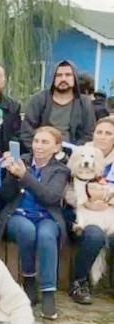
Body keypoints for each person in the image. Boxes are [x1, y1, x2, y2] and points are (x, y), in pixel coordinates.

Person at [0, 126, 69, 320]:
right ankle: (28, 280)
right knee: (26, 229)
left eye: (45, 142)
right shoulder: (21, 161)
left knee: (46, 236)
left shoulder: (60, 170)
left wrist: (24, 176)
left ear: (56, 147)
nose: (38, 146)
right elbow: (5, 196)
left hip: (47, 216)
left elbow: (51, 197)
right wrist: (12, 175)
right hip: (18, 215)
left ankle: (48, 292)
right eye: (36, 141)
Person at [65, 117, 114, 304]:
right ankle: (79, 282)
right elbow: (66, 188)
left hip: (109, 211)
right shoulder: (80, 153)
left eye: (108, 133)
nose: (102, 137)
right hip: (81, 214)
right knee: (95, 235)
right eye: (99, 132)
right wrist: (84, 202)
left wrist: (107, 201)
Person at [21, 60, 95, 152]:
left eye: (68, 75)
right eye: (59, 75)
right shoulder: (39, 99)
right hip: (41, 153)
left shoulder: (84, 103)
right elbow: (26, 131)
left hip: (73, 155)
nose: (63, 79)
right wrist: (37, 151)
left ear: (74, 78)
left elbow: (88, 135)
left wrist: (74, 153)